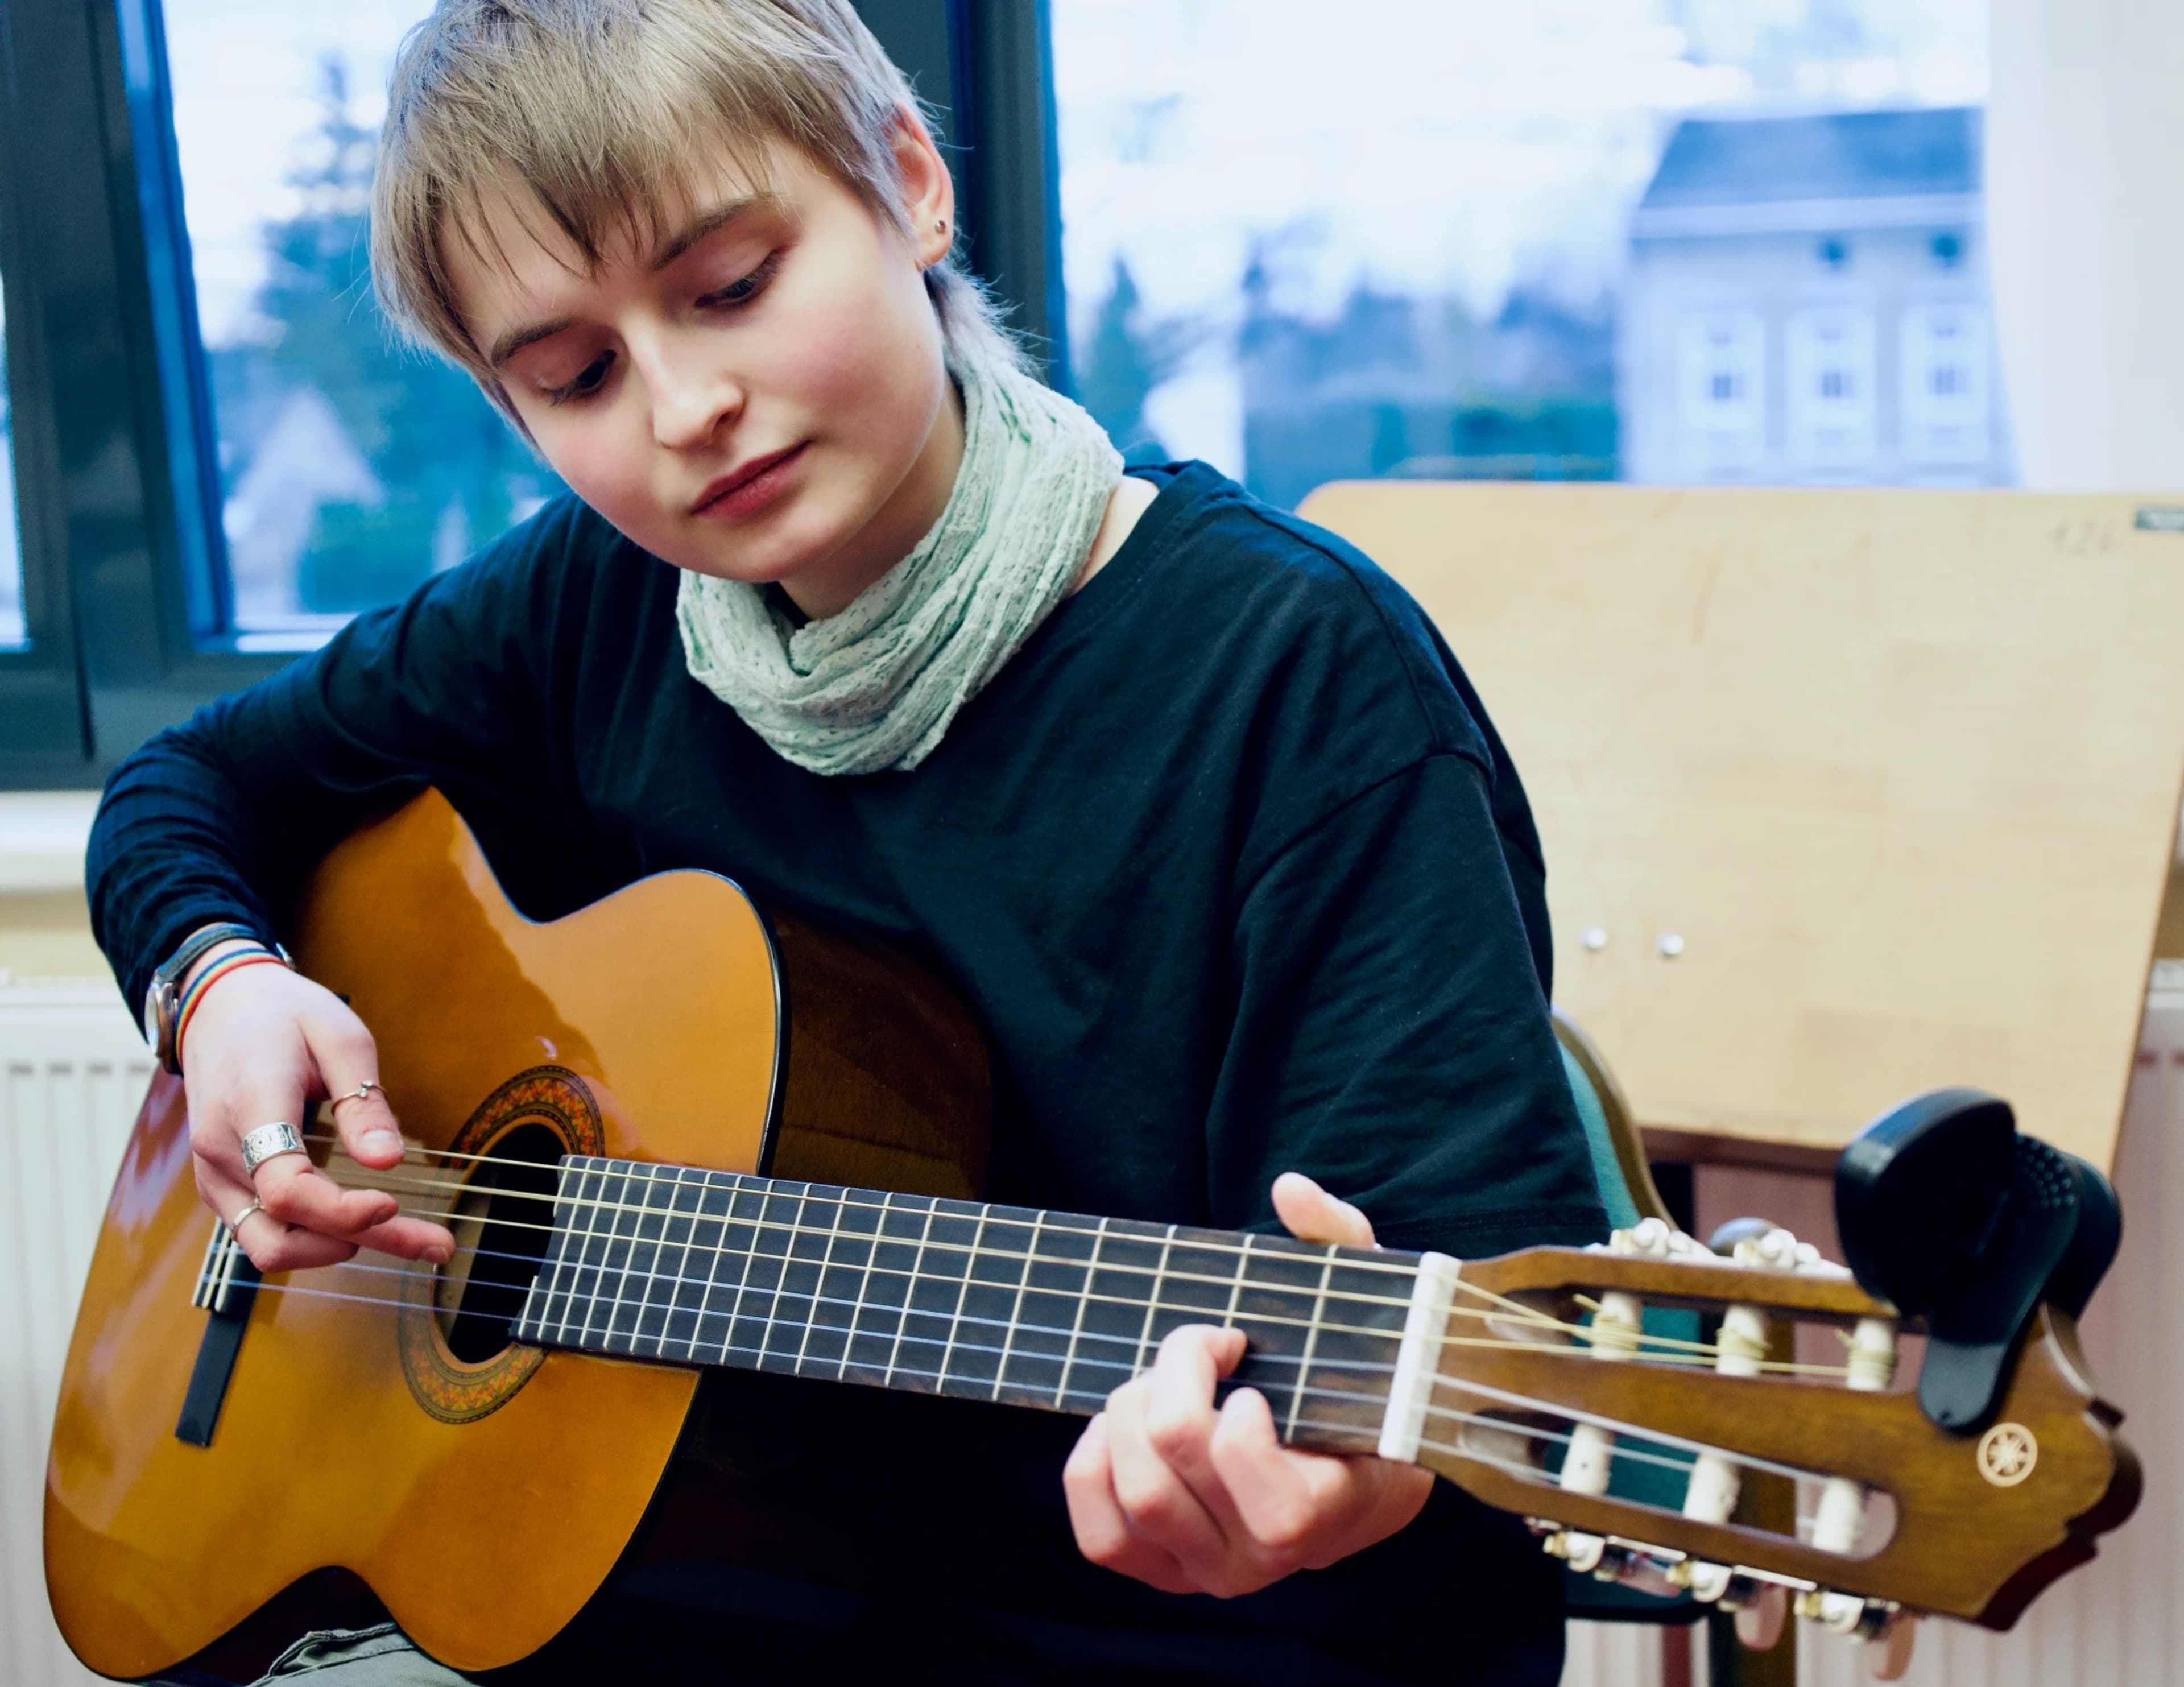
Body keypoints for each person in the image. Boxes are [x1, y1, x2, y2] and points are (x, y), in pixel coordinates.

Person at [89, 2, 1607, 1682]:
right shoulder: (596, 608)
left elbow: (1488, 1370)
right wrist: (216, 983)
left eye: (731, 287)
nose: (681, 407)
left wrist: (1357, 1482)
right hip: (717, 1609)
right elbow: (187, 787)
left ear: (908, 182)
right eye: (576, 375)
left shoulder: (1298, 678)